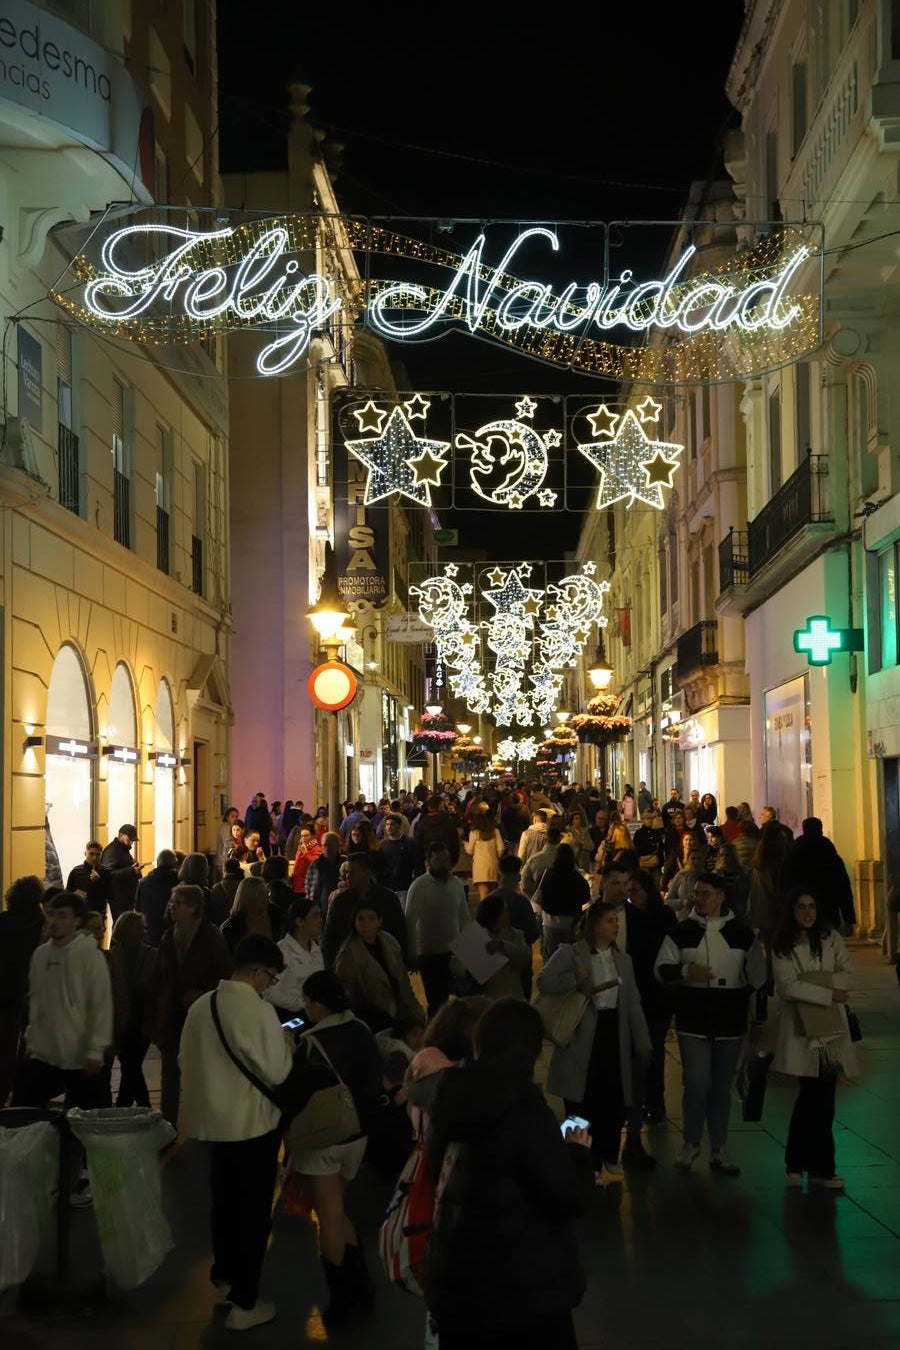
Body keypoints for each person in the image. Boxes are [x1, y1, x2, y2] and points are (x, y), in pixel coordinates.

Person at [425, 999, 594, 1350]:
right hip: (522, 1294)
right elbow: (567, 1197)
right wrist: (578, 1152)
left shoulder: (451, 1096)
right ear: (531, 1052)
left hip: (458, 1287)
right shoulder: (526, 1111)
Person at [180, 934, 294, 1331]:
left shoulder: (201, 1005)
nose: (270, 984)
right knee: (252, 1212)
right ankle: (247, 1301)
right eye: (273, 978)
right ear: (259, 971)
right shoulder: (258, 1011)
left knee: (224, 1206)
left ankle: (225, 1282)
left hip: (212, 1126)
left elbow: (183, 1060)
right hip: (252, 1126)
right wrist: (287, 1042)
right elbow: (278, 1071)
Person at [654, 870, 767, 1176]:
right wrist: (687, 974)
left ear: (720, 896)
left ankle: (718, 1147)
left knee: (720, 1088)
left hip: (729, 1020)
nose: (699, 899)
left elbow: (758, 978)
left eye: (705, 893)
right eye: (697, 893)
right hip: (693, 1019)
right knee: (696, 1083)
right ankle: (691, 1143)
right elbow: (661, 969)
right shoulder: (682, 932)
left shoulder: (741, 935)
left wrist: (758, 1019)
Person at [288, 970, 384, 1325]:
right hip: (358, 1135)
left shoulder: (310, 1044)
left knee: (328, 1217)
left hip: (323, 1140)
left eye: (308, 1001)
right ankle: (363, 1287)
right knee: (338, 1210)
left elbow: (294, 1095)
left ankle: (343, 1301)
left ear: (318, 1004)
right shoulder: (361, 1029)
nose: (305, 1007)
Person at [538, 901, 651, 1183]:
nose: (616, 925)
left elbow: (633, 1002)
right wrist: (574, 979)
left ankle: (607, 1154)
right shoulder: (571, 954)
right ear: (596, 925)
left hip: (613, 1034)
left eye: (616, 920)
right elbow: (544, 981)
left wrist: (642, 1041)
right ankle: (582, 1160)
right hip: (582, 1034)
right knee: (580, 1101)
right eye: (611, 921)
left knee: (612, 1098)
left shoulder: (623, 960)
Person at [770, 889, 858, 1191]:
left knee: (824, 1099)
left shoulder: (830, 938)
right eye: (801, 907)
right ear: (791, 911)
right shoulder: (784, 945)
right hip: (802, 1029)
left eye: (811, 906)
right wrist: (829, 992)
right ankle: (803, 1163)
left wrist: (816, 985)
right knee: (810, 1097)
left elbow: (848, 974)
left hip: (830, 1030)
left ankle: (817, 1165)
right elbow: (788, 986)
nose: (807, 913)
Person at [14, 892, 112, 1111]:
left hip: (78, 1053)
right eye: (52, 915)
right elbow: (37, 1001)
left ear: (76, 921)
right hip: (44, 1050)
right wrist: (32, 1039)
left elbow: (100, 1004)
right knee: (25, 1110)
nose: (55, 921)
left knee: (86, 1117)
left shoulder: (89, 956)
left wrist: (95, 1049)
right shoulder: (41, 955)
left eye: (62, 916)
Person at [150, 883, 233, 1127]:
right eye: (172, 902)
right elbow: (160, 976)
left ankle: (206, 1124)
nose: (171, 907)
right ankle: (168, 1126)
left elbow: (225, 974)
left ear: (193, 908)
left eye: (177, 903)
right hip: (173, 1013)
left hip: (200, 1015)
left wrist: (203, 992)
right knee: (170, 1076)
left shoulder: (211, 937)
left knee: (201, 1073)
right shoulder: (169, 936)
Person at [627, 869, 677, 1123]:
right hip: (637, 990)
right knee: (641, 1050)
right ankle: (644, 1102)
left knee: (654, 1050)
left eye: (634, 889)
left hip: (656, 993)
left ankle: (654, 1103)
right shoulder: (627, 917)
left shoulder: (660, 917)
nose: (630, 895)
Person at [335, 901, 425, 1033]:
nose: (366, 924)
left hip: (400, 1009)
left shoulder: (389, 943)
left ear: (379, 921)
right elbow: (346, 993)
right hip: (372, 1019)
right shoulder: (348, 954)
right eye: (361, 919)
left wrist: (416, 1013)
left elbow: (404, 982)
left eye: (371, 918)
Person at [405, 841, 471, 1019]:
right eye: (439, 860)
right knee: (436, 1004)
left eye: (446, 860)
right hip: (429, 955)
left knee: (462, 1001)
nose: (444, 864)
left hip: (454, 954)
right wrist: (412, 954)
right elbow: (410, 921)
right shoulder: (419, 887)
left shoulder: (456, 884)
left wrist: (472, 952)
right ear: (428, 862)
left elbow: (464, 918)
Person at [0, 875, 45, 1106]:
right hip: (30, 996)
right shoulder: (41, 925)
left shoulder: (3, 922)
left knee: (5, 1051)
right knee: (27, 1052)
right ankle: (23, 1099)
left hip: (5, 996)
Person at [321, 852, 408, 968]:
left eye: (352, 873)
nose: (348, 877)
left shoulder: (387, 898)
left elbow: (400, 931)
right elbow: (329, 937)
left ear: (366, 872)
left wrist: (402, 960)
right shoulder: (340, 902)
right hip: (349, 965)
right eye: (347, 873)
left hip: (382, 963)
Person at [107, 910, 158, 1108]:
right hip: (132, 1020)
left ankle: (128, 1106)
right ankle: (137, 1106)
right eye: (139, 928)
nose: (143, 932)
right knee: (132, 1067)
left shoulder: (111, 957)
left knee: (131, 1066)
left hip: (135, 1021)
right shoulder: (152, 956)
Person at [779, 817, 856, 931]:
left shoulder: (792, 855)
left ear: (804, 830)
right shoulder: (831, 855)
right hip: (828, 911)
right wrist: (849, 918)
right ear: (821, 830)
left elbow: (783, 885)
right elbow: (844, 888)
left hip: (800, 911)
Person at [459, 892, 530, 1001]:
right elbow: (456, 964)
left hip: (512, 996)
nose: (508, 913)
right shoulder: (476, 936)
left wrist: (503, 945)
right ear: (494, 914)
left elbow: (525, 956)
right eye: (504, 910)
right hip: (485, 999)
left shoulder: (515, 934)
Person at [488, 854, 541, 998]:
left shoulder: (488, 900)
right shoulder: (522, 902)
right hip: (519, 966)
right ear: (518, 875)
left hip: (493, 966)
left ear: (499, 872)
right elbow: (532, 934)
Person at [263, 897, 324, 1021]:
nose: (320, 921)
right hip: (289, 1015)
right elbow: (270, 993)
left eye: (320, 916)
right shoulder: (283, 951)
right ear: (300, 921)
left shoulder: (315, 949)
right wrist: (303, 1004)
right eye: (315, 917)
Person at [536, 842, 591, 961]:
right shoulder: (576, 877)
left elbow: (541, 896)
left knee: (550, 957)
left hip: (550, 921)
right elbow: (586, 897)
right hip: (572, 922)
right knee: (569, 958)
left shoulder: (548, 874)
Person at [220, 875, 287, 955]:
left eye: (267, 892)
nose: (266, 897)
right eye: (261, 894)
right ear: (248, 898)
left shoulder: (276, 917)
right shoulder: (232, 927)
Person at [135, 849, 180, 945]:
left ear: (158, 862)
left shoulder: (143, 883)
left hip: (148, 935)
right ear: (175, 864)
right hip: (171, 936)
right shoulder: (178, 883)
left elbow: (137, 908)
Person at [100, 823, 142, 921]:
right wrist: (131, 870)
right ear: (121, 835)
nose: (131, 843)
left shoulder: (121, 849)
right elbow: (108, 874)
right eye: (129, 839)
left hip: (124, 898)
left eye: (133, 840)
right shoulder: (112, 850)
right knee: (121, 926)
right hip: (119, 898)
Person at [464, 808, 505, 901]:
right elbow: (501, 848)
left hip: (480, 866)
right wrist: (497, 856)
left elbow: (470, 851)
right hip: (493, 865)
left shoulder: (474, 833)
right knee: (494, 895)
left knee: (483, 897)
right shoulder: (495, 831)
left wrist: (465, 844)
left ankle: (485, 913)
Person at [413, 796, 461, 874]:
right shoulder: (448, 822)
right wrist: (453, 860)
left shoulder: (422, 823)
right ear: (440, 805)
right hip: (446, 859)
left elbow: (418, 845)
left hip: (429, 861)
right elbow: (454, 842)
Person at [65, 841, 114, 915]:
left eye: (98, 855)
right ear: (85, 853)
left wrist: (99, 882)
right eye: (91, 854)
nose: (95, 858)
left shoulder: (106, 872)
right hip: (80, 913)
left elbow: (111, 895)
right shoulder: (76, 872)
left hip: (98, 914)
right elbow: (68, 893)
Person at [379, 813, 417, 909]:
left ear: (399, 826)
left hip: (404, 887)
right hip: (388, 887)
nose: (389, 827)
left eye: (392, 824)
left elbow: (415, 864)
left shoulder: (409, 843)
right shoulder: (383, 845)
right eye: (387, 825)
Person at [306, 832, 343, 915]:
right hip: (320, 910)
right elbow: (309, 888)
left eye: (330, 845)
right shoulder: (316, 864)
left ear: (337, 846)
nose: (327, 848)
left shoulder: (343, 863)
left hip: (341, 910)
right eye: (324, 845)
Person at [207, 856, 243, 928]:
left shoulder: (216, 888)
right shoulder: (242, 886)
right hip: (238, 926)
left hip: (220, 925)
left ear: (225, 870)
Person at [292, 823, 323, 895]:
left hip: (307, 887)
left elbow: (316, 864)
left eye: (306, 835)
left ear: (313, 836)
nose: (303, 838)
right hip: (297, 886)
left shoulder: (317, 849)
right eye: (302, 836)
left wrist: (306, 853)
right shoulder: (300, 848)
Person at [215, 807, 240, 880]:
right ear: (227, 817)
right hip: (223, 862)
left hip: (227, 861)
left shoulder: (232, 828)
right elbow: (229, 845)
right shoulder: (225, 829)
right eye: (232, 816)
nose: (235, 819)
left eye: (236, 817)